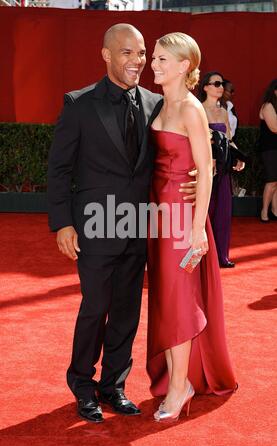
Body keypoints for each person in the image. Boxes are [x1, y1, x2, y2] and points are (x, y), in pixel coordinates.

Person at [47, 23, 195, 423]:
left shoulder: (154, 102)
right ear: (107, 55)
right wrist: (62, 223)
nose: (138, 61)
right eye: (128, 53)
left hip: (138, 225)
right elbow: (59, 168)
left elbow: (186, 134)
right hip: (94, 226)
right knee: (95, 307)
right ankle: (82, 384)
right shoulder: (79, 104)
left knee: (127, 312)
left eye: (142, 53)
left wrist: (201, 171)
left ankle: (114, 386)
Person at [147, 33, 237, 422]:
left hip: (182, 219)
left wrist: (199, 228)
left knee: (179, 301)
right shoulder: (159, 104)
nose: (154, 63)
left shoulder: (190, 109)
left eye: (163, 58)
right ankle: (176, 379)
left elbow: (207, 170)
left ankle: (181, 384)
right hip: (158, 215)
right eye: (154, 57)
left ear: (184, 66)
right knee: (166, 299)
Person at [198, 71, 245, 268]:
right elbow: (198, 141)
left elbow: (229, 140)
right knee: (206, 211)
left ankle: (221, 256)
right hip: (206, 168)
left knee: (223, 212)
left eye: (222, 84)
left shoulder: (224, 111)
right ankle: (204, 257)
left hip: (223, 168)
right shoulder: (198, 109)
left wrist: (238, 157)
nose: (220, 87)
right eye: (216, 83)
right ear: (206, 87)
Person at [258, 78, 277, 222]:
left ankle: (275, 210)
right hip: (270, 149)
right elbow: (274, 128)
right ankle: (264, 211)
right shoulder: (268, 106)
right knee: (271, 181)